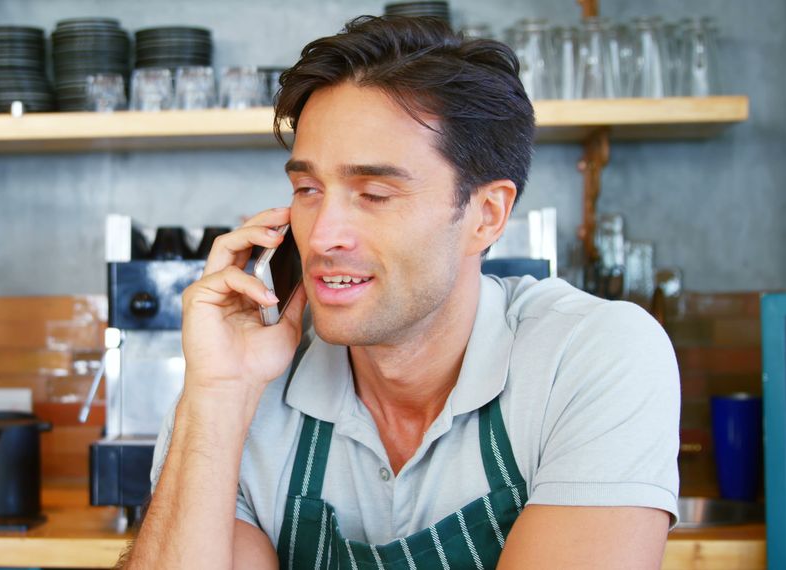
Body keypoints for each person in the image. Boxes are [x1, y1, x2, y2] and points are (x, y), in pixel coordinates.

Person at [124, 15, 680, 569]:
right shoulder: (238, 382)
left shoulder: (591, 355)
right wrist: (219, 395)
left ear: (486, 216)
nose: (320, 235)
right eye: (308, 189)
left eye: (373, 193)